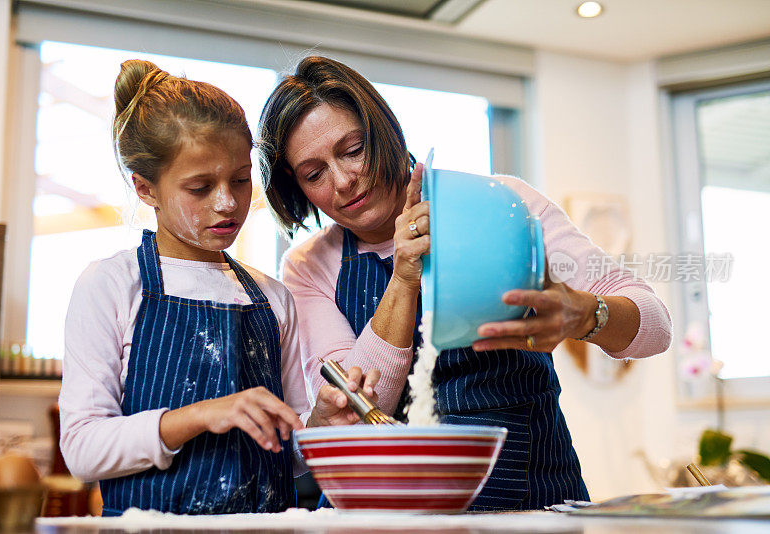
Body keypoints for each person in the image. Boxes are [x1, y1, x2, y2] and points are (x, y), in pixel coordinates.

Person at [256, 56, 673, 511]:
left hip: (530, 503)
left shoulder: (503, 206)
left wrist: (587, 314)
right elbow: (354, 411)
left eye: (354, 149)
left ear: (384, 131)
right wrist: (404, 278)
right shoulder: (310, 265)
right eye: (314, 174)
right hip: (386, 512)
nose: (343, 180)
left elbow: (655, 327)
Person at [59, 59, 379, 516]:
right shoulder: (112, 285)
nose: (227, 202)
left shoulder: (272, 298)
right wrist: (201, 415)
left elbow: (288, 455)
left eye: (241, 180)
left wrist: (321, 425)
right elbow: (82, 449)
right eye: (200, 187)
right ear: (146, 189)